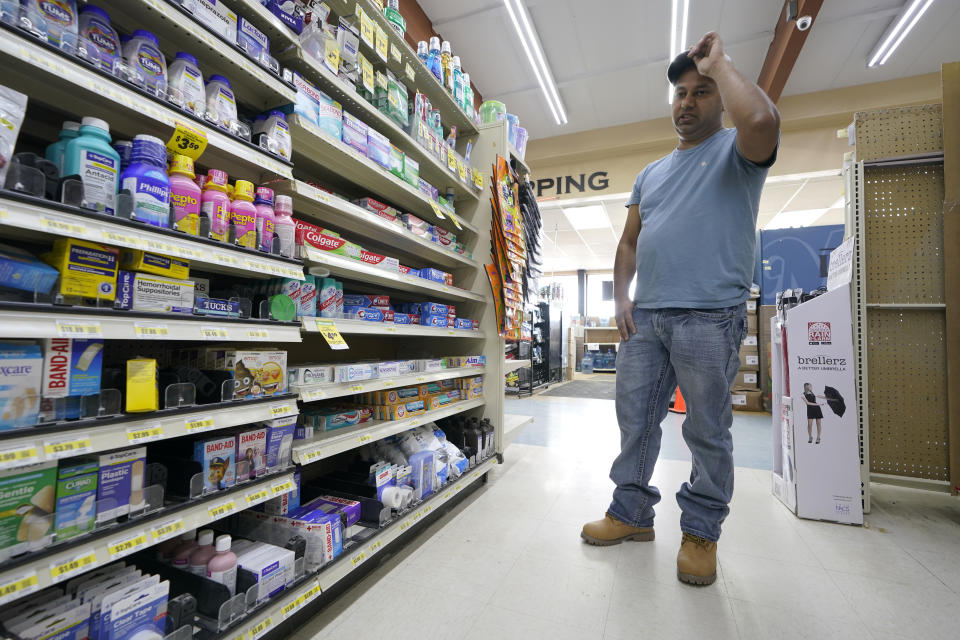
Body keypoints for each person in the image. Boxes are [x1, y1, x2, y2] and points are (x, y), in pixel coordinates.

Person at [580, 32, 780, 586]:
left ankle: (701, 531)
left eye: (702, 91)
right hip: (648, 318)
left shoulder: (737, 152)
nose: (687, 102)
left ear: (720, 100)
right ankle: (631, 514)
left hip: (710, 314)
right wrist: (621, 297)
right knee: (636, 421)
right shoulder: (650, 173)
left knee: (706, 429)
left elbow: (763, 123)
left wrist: (721, 64)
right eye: (681, 93)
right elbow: (628, 244)